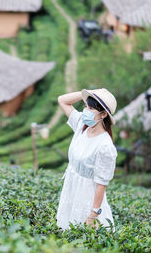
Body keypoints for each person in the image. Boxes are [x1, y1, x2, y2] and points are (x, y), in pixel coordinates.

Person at [56, 88, 118, 232]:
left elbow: (101, 184)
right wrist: (90, 93)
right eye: (85, 106)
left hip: (86, 198)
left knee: (85, 238)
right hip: (71, 190)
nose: (86, 111)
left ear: (103, 114)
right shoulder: (81, 125)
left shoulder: (105, 146)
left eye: (91, 108)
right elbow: (62, 100)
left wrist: (93, 214)